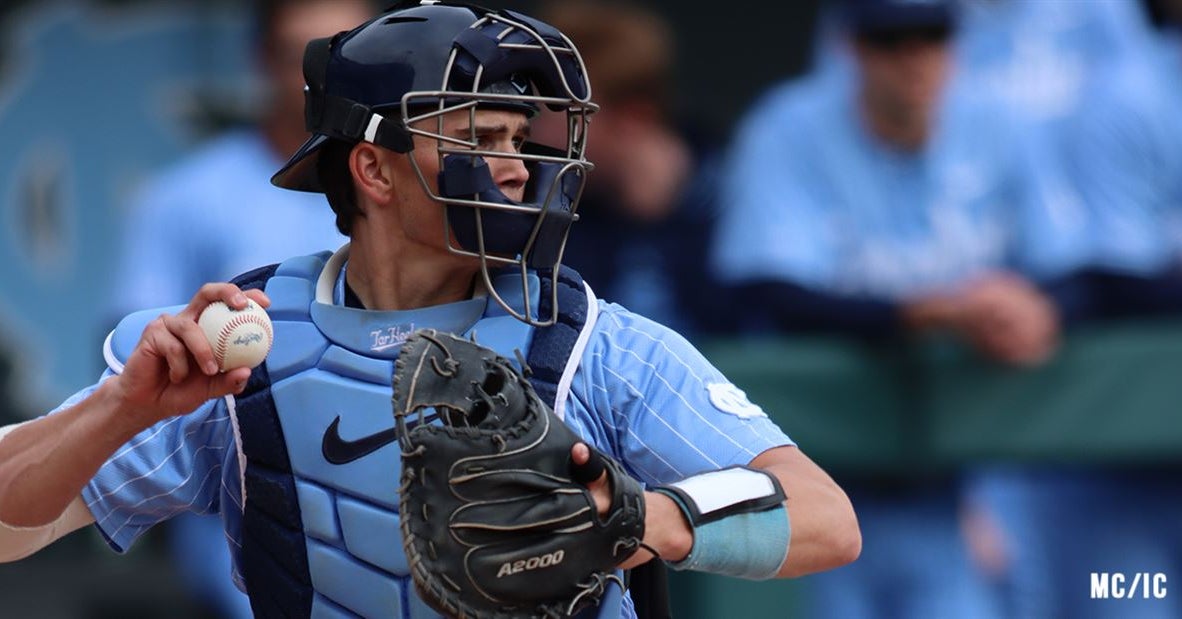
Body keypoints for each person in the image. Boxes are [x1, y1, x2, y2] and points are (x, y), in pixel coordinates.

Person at [0, 3, 861, 618]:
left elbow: (826, 518)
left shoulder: (590, 341)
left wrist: (644, 518)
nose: (516, 167)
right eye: (478, 140)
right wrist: (120, 408)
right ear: (373, 169)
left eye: (519, 138)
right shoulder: (247, 341)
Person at [712, 0, 1089, 617]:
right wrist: (927, 313)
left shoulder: (996, 122)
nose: (914, 58)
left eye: (931, 36)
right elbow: (765, 293)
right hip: (823, 465)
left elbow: (1078, 273)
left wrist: (1043, 309)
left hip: (972, 471)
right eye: (891, 41)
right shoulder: (790, 127)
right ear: (851, 47)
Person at [108, 1, 376, 617]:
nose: (322, 77)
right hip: (239, 532)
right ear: (261, 60)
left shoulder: (411, 199)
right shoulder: (187, 195)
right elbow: (133, 362)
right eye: (304, 56)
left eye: (345, 55)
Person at [532, 0, 729, 338]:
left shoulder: (731, 192)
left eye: (553, 111)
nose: (533, 131)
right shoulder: (547, 207)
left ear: (633, 116)